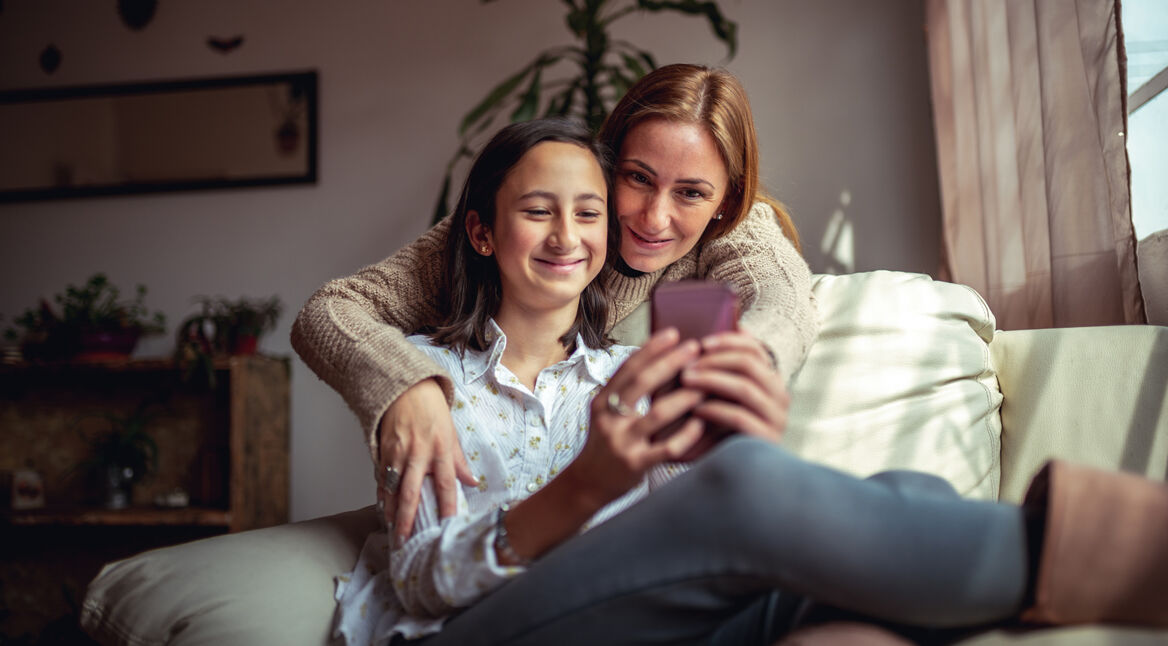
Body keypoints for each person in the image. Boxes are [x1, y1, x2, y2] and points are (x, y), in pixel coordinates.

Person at [327, 117, 1168, 646]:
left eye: (587, 213)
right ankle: (1132, 553)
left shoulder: (625, 377)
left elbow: (698, 522)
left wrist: (739, 434)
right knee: (755, 495)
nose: (568, 236)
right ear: (480, 231)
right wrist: (588, 485)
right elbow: (422, 579)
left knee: (863, 581)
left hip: (639, 616)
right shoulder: (423, 382)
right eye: (537, 211)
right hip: (474, 628)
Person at [292, 64, 818, 544]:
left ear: (724, 201)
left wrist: (747, 366)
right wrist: (407, 385)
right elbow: (331, 310)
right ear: (604, 166)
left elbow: (783, 300)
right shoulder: (523, 225)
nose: (655, 218)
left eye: (691, 194)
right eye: (637, 178)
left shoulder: (733, 228)